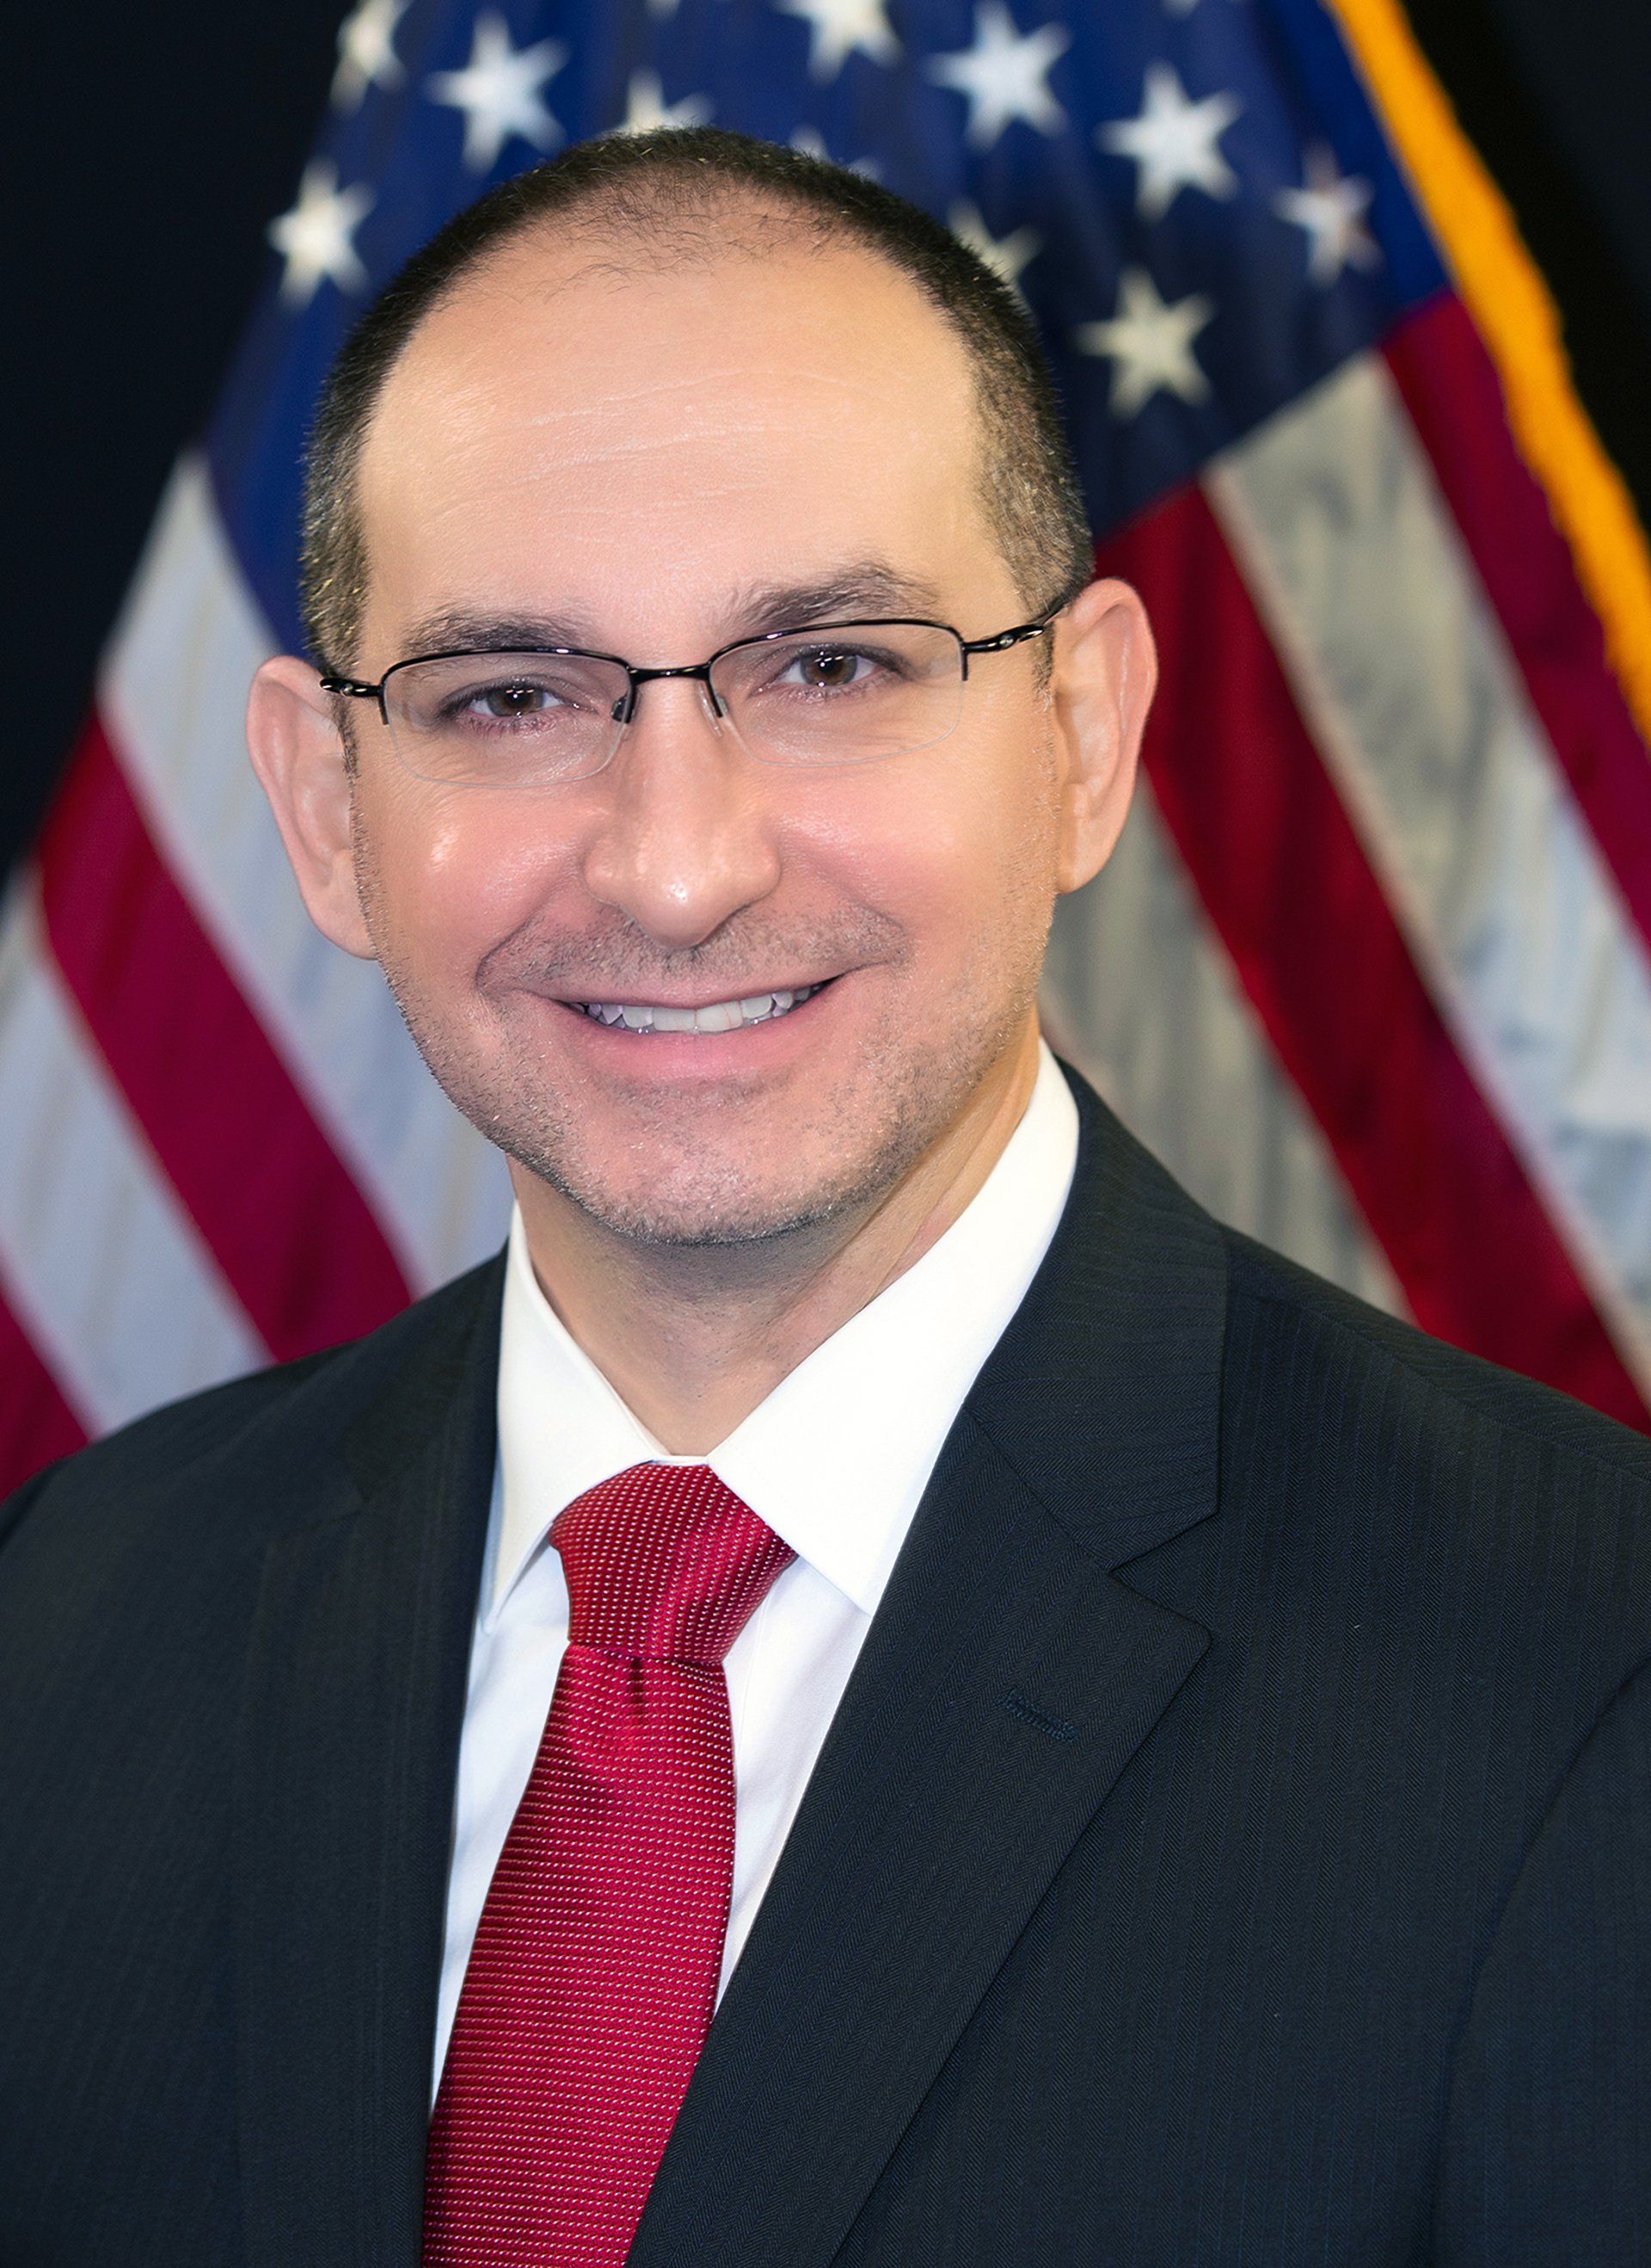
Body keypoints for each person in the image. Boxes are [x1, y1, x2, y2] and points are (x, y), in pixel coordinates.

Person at [2, 126, 1647, 2268]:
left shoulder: (1586, 1685)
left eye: (833, 667)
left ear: (1082, 731)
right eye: (514, 696)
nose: (680, 867)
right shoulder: (67, 1625)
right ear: (326, 807)